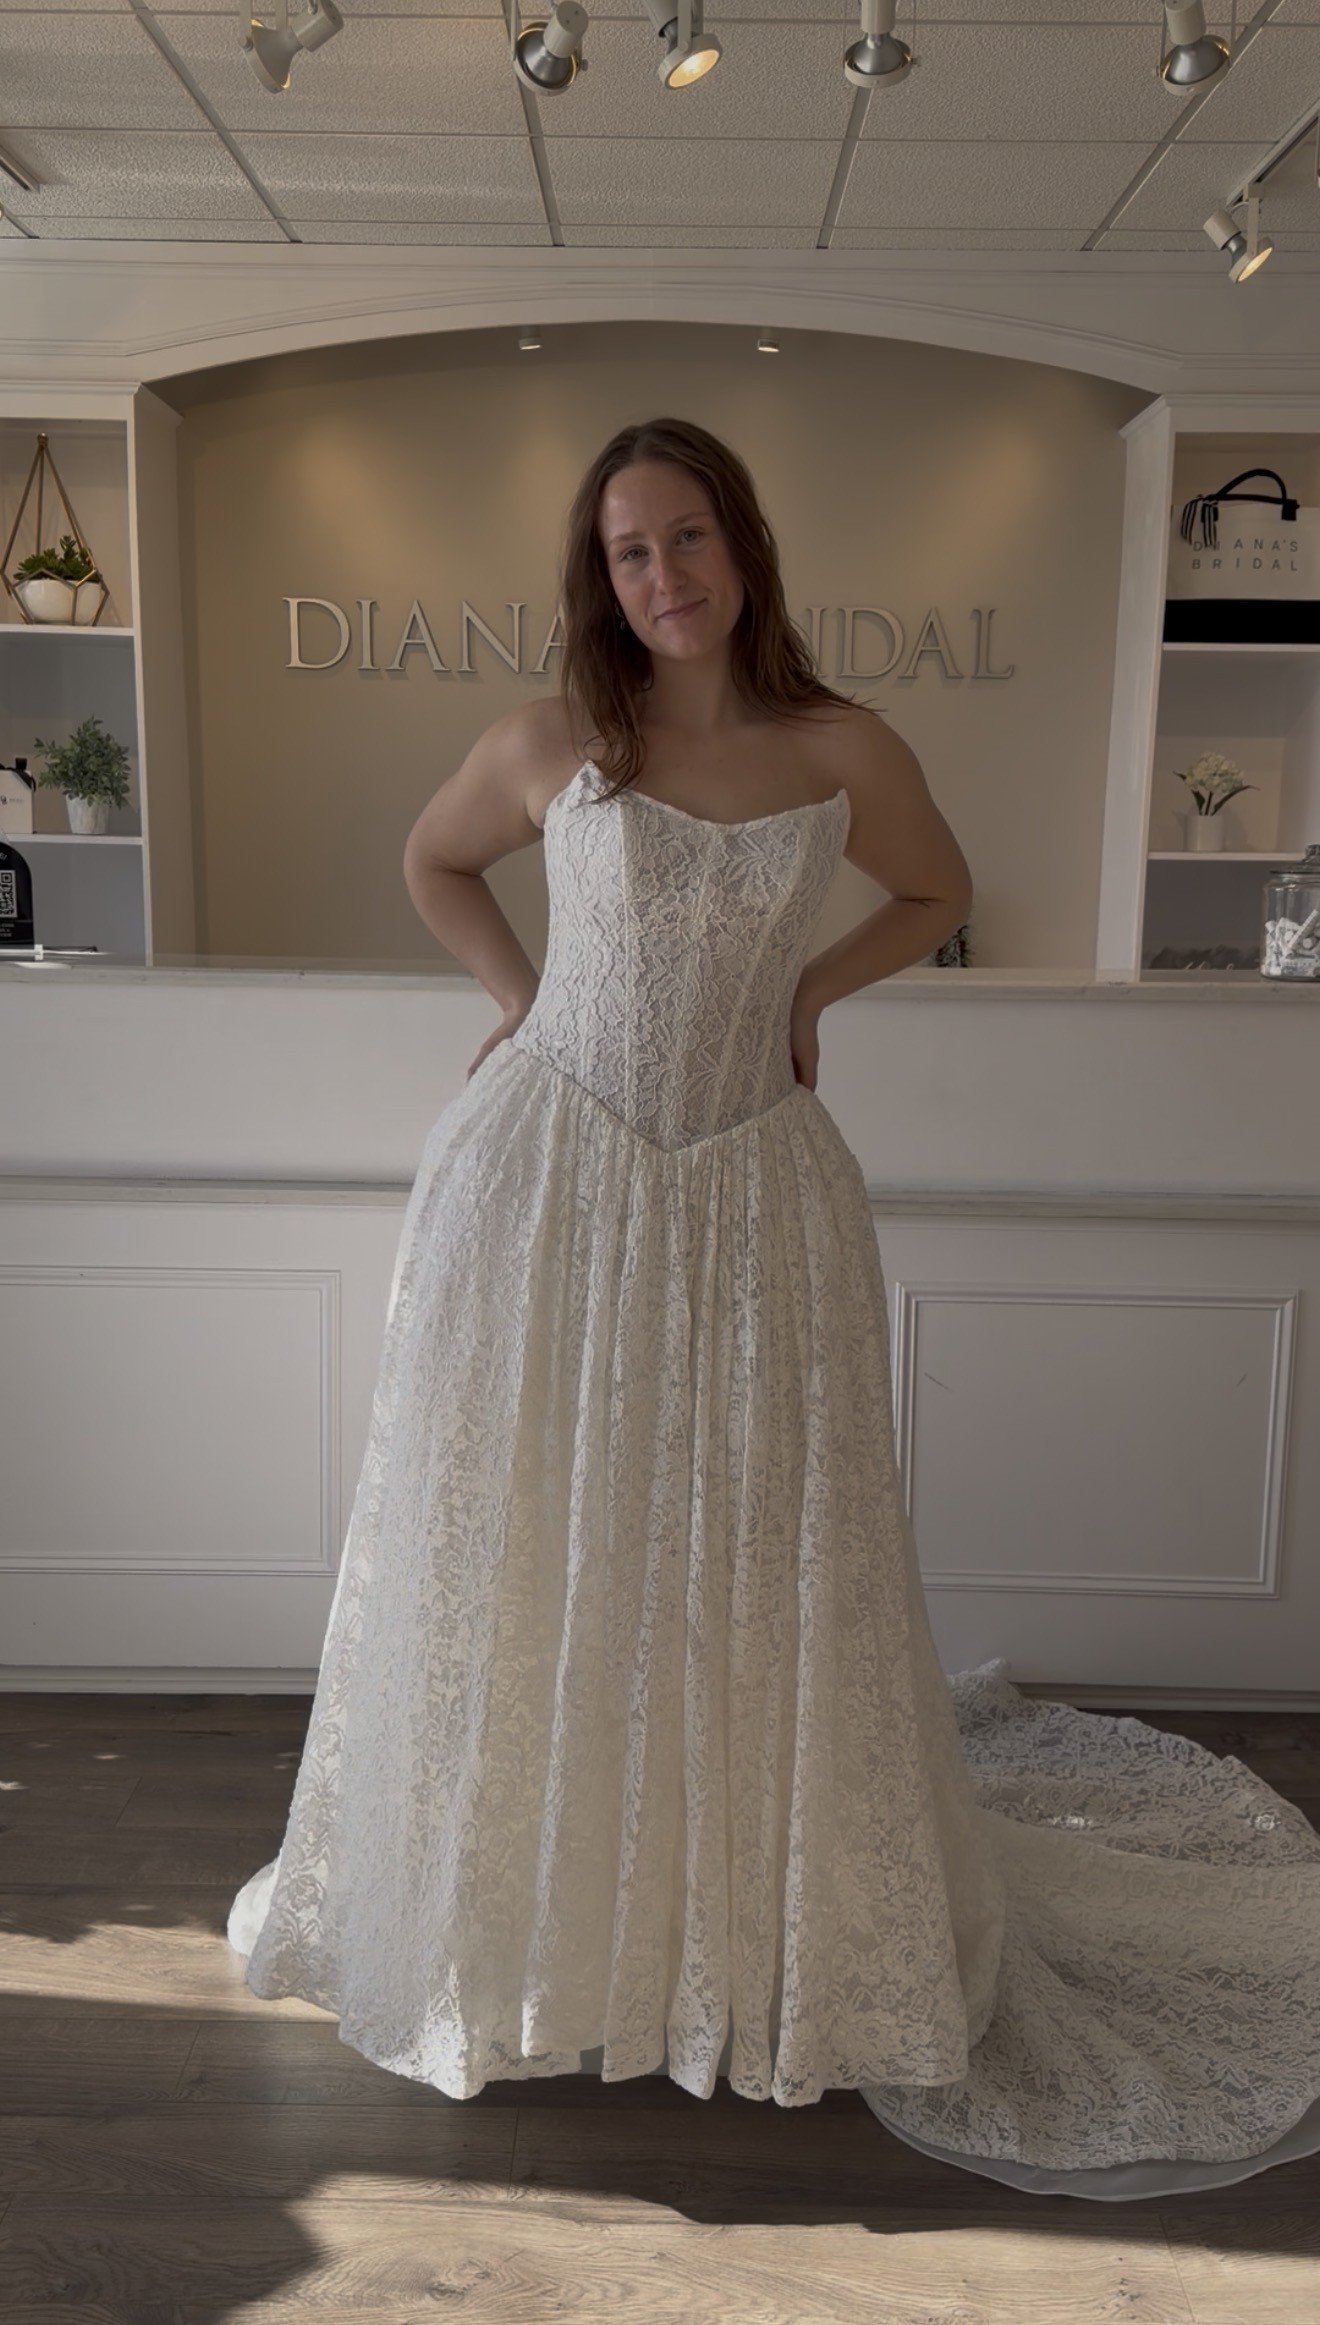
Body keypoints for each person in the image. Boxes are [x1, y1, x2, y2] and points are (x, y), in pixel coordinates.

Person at [229, 415, 1320, 2201]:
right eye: (628, 550)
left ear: (743, 545)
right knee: (551, 1541)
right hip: (552, 1180)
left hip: (756, 1195)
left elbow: (943, 888)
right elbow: (433, 860)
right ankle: (538, 1935)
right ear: (601, 577)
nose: (662, 575)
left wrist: (812, 988)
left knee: (751, 1555)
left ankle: (741, 1930)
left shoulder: (843, 748)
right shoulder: (554, 741)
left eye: (687, 536)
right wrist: (517, 995)